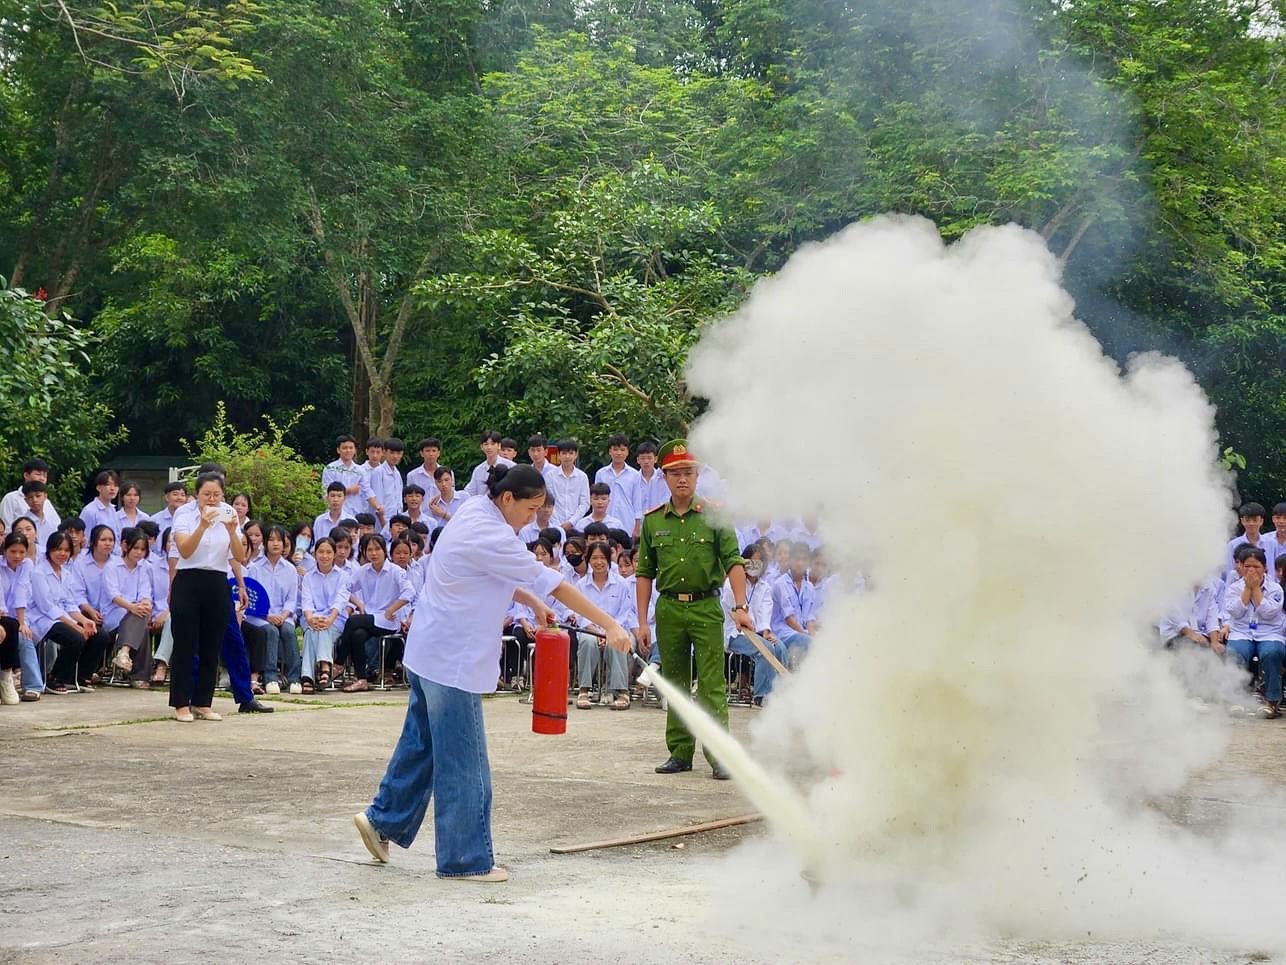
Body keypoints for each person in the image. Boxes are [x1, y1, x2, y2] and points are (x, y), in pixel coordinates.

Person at [353, 464, 633, 880]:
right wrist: (609, 624)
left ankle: (382, 820)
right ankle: (465, 860)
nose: (535, 518)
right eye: (531, 508)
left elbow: (492, 573)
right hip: (453, 663)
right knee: (465, 764)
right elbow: (554, 582)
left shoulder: (473, 511)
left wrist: (532, 602)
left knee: (422, 747)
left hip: (431, 654)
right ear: (507, 499)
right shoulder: (493, 533)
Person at [634, 440, 752, 779]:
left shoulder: (715, 517)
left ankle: (719, 757)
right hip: (669, 608)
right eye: (674, 474)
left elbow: (733, 561)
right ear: (665, 478)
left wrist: (741, 605)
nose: (681, 479)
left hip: (706, 607)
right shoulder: (654, 522)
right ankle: (680, 752)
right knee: (675, 683)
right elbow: (644, 573)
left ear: (697, 476)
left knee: (712, 684)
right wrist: (642, 622)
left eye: (687, 472)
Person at [169, 471, 246, 722]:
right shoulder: (185, 513)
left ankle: (203, 701)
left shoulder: (228, 513)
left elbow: (239, 556)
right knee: (185, 644)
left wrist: (233, 530)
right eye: (206, 494)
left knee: (212, 644)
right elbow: (185, 550)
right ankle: (181, 702)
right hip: (189, 579)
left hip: (217, 581)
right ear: (197, 494)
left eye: (217, 494)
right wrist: (202, 524)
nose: (212, 499)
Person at [29, 532, 101, 694]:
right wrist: (76, 626)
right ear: (49, 550)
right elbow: (47, 607)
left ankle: (80, 675)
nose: (62, 554)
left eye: (66, 550)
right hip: (42, 619)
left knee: (99, 635)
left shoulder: (66, 574)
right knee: (75, 638)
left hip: (62, 617)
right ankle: (55, 677)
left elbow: (70, 604)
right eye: (58, 549)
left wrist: (84, 621)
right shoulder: (39, 572)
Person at [339, 534, 412, 692]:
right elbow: (344, 588)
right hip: (371, 617)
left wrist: (392, 609)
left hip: (389, 621)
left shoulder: (395, 571)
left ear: (384, 550)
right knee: (357, 634)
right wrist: (358, 603)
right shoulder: (363, 571)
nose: (374, 553)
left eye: (377, 549)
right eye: (369, 550)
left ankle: (338, 663)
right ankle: (362, 678)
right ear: (364, 552)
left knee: (353, 622)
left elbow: (409, 593)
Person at [1220, 546, 1285, 718]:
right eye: (1247, 566)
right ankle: (1235, 698)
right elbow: (1235, 612)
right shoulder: (1234, 588)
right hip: (1242, 631)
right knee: (1235, 652)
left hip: (1270, 632)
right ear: (1240, 566)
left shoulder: (1275, 589)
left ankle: (1272, 700)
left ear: (1265, 568)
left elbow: (1269, 612)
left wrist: (1255, 589)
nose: (1251, 570)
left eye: (1256, 567)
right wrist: (1247, 589)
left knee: (1272, 653)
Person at [574, 542, 637, 710]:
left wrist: (610, 631)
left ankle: (622, 691)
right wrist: (597, 632)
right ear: (588, 560)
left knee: (616, 642)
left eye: (602, 558)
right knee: (587, 641)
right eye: (594, 558)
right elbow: (581, 615)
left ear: (609, 560)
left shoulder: (621, 584)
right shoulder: (581, 586)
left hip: (615, 629)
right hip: (590, 630)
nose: (599, 562)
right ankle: (584, 690)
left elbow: (625, 613)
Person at [723, 543, 787, 706]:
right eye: (751, 561)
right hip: (735, 633)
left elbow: (764, 614)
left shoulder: (765, 588)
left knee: (779, 647)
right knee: (764, 649)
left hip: (757, 633)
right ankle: (762, 695)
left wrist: (765, 631)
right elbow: (733, 611)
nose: (755, 566)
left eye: (759, 562)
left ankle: (781, 693)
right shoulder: (733, 583)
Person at [247, 525, 303, 695]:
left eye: (279, 540)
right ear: (265, 542)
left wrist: (283, 615)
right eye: (271, 540)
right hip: (259, 615)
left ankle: (294, 678)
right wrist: (267, 615)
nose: (276, 544)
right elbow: (252, 598)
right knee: (271, 631)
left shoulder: (290, 569)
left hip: (283, 614)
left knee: (287, 630)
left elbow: (291, 599)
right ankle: (270, 677)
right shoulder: (254, 568)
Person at [105, 529, 156, 686]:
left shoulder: (143, 569)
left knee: (142, 617)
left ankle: (124, 653)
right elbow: (113, 595)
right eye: (136, 548)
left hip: (135, 614)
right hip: (114, 613)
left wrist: (146, 603)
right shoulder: (112, 566)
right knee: (140, 617)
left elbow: (145, 592)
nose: (139, 553)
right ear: (126, 546)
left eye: (143, 549)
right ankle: (139, 674)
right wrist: (132, 607)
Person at [301, 537, 350, 691]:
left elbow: (340, 601)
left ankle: (308, 676)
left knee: (320, 630)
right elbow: (306, 601)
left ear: (334, 554)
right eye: (321, 552)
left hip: (336, 619)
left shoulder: (342, 576)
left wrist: (330, 619)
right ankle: (324, 668)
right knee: (313, 629)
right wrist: (310, 618)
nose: (325, 556)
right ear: (315, 554)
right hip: (312, 617)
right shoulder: (308, 577)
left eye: (329, 552)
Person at [594, 433, 644, 539]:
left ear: (627, 452)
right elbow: (596, 498)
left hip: (627, 522)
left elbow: (637, 502)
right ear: (609, 451)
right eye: (615, 449)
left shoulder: (634, 474)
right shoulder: (601, 473)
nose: (618, 453)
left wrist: (637, 527)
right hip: (604, 523)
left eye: (622, 450)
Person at [323, 434, 380, 520]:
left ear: (355, 450)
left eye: (351, 448)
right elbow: (326, 492)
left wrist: (378, 507)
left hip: (356, 513)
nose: (348, 450)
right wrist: (348, 490)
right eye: (344, 448)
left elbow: (367, 491)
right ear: (338, 450)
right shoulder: (330, 469)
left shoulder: (360, 470)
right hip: (336, 514)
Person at [2, 458, 58, 528]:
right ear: (26, 475)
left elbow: (56, 527)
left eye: (45, 476)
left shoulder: (47, 502)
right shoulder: (11, 499)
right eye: (38, 474)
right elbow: (5, 529)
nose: (42, 478)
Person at [548, 439, 589, 531]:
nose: (567, 456)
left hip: (577, 525)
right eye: (564, 453)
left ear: (576, 455)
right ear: (558, 455)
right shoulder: (550, 475)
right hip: (554, 524)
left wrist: (571, 522)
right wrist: (557, 524)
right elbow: (549, 501)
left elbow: (585, 503)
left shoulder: (582, 477)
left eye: (570, 453)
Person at [1225, 502, 1267, 584]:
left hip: (1267, 589)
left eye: (1255, 520)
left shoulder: (1271, 543)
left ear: (1261, 521)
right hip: (1239, 589)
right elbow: (1230, 571)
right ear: (1242, 521)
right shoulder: (1233, 545)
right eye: (1248, 520)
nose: (1251, 523)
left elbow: (1272, 570)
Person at [80, 469, 121, 551]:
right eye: (108, 484)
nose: (112, 488)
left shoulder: (113, 510)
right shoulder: (90, 511)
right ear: (98, 488)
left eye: (115, 485)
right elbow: (84, 540)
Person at [464, 430, 515, 497]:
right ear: (481, 447)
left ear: (499, 446)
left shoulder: (511, 466)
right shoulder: (478, 470)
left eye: (493, 444)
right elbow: (470, 493)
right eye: (486, 444)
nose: (489, 447)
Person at [150, 482, 187, 563]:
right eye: (175, 494)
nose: (179, 498)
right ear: (167, 497)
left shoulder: (189, 519)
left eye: (182, 495)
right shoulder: (154, 520)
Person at [635, 440, 668, 519]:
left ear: (655, 459)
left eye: (649, 458)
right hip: (638, 523)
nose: (646, 461)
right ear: (638, 460)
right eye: (642, 458)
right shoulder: (633, 479)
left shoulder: (663, 478)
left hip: (659, 520)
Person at [21, 481, 59, 548]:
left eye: (38, 496)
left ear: (45, 496)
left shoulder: (52, 518)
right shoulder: (23, 523)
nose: (34, 500)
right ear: (26, 500)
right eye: (30, 497)